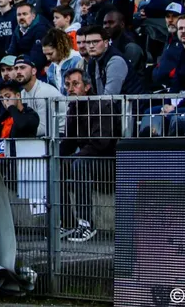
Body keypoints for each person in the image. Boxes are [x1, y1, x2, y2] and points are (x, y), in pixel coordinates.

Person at [58, 68, 117, 244]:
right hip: (87, 160)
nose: (70, 89)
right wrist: (54, 157)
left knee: (78, 164)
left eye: (75, 84)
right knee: (57, 165)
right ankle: (68, 222)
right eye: (67, 85)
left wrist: (74, 157)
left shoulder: (101, 105)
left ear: (87, 86)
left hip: (109, 163)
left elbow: (101, 143)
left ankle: (86, 224)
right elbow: (69, 142)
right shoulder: (74, 107)